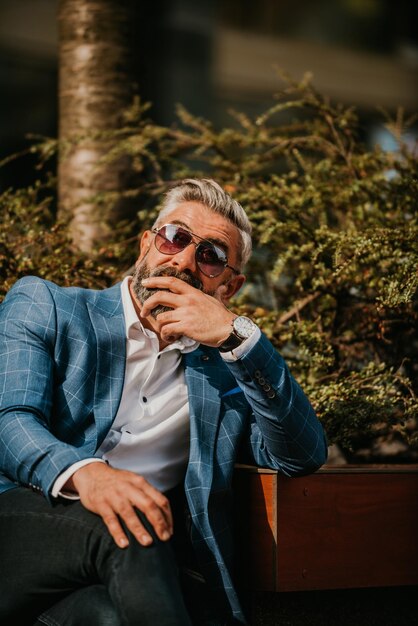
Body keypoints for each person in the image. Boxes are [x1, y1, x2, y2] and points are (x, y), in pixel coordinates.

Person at [0, 178, 327, 626]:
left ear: (228, 289)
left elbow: (302, 455)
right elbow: (10, 420)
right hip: (19, 531)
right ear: (146, 245)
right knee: (131, 522)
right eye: (175, 237)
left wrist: (241, 338)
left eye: (211, 256)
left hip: (120, 574)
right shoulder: (49, 306)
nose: (186, 261)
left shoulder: (226, 379)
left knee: (105, 618)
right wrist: (88, 476)